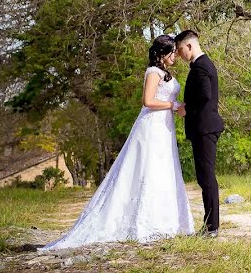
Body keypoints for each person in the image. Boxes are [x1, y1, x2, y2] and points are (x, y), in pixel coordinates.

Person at [39, 35, 194, 250]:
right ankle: (140, 222)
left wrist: (177, 108)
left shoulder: (166, 74)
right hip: (150, 126)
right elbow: (148, 101)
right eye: (171, 52)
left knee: (162, 170)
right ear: (161, 54)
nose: (174, 56)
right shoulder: (153, 72)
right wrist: (173, 105)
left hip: (163, 126)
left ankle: (165, 220)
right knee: (146, 170)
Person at [175, 29, 224, 237]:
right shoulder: (200, 65)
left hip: (205, 128)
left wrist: (187, 108)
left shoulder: (202, 67)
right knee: (204, 177)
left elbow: (205, 95)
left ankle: (212, 227)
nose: (178, 55)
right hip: (204, 128)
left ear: (189, 46)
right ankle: (210, 226)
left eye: (179, 50)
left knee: (207, 178)